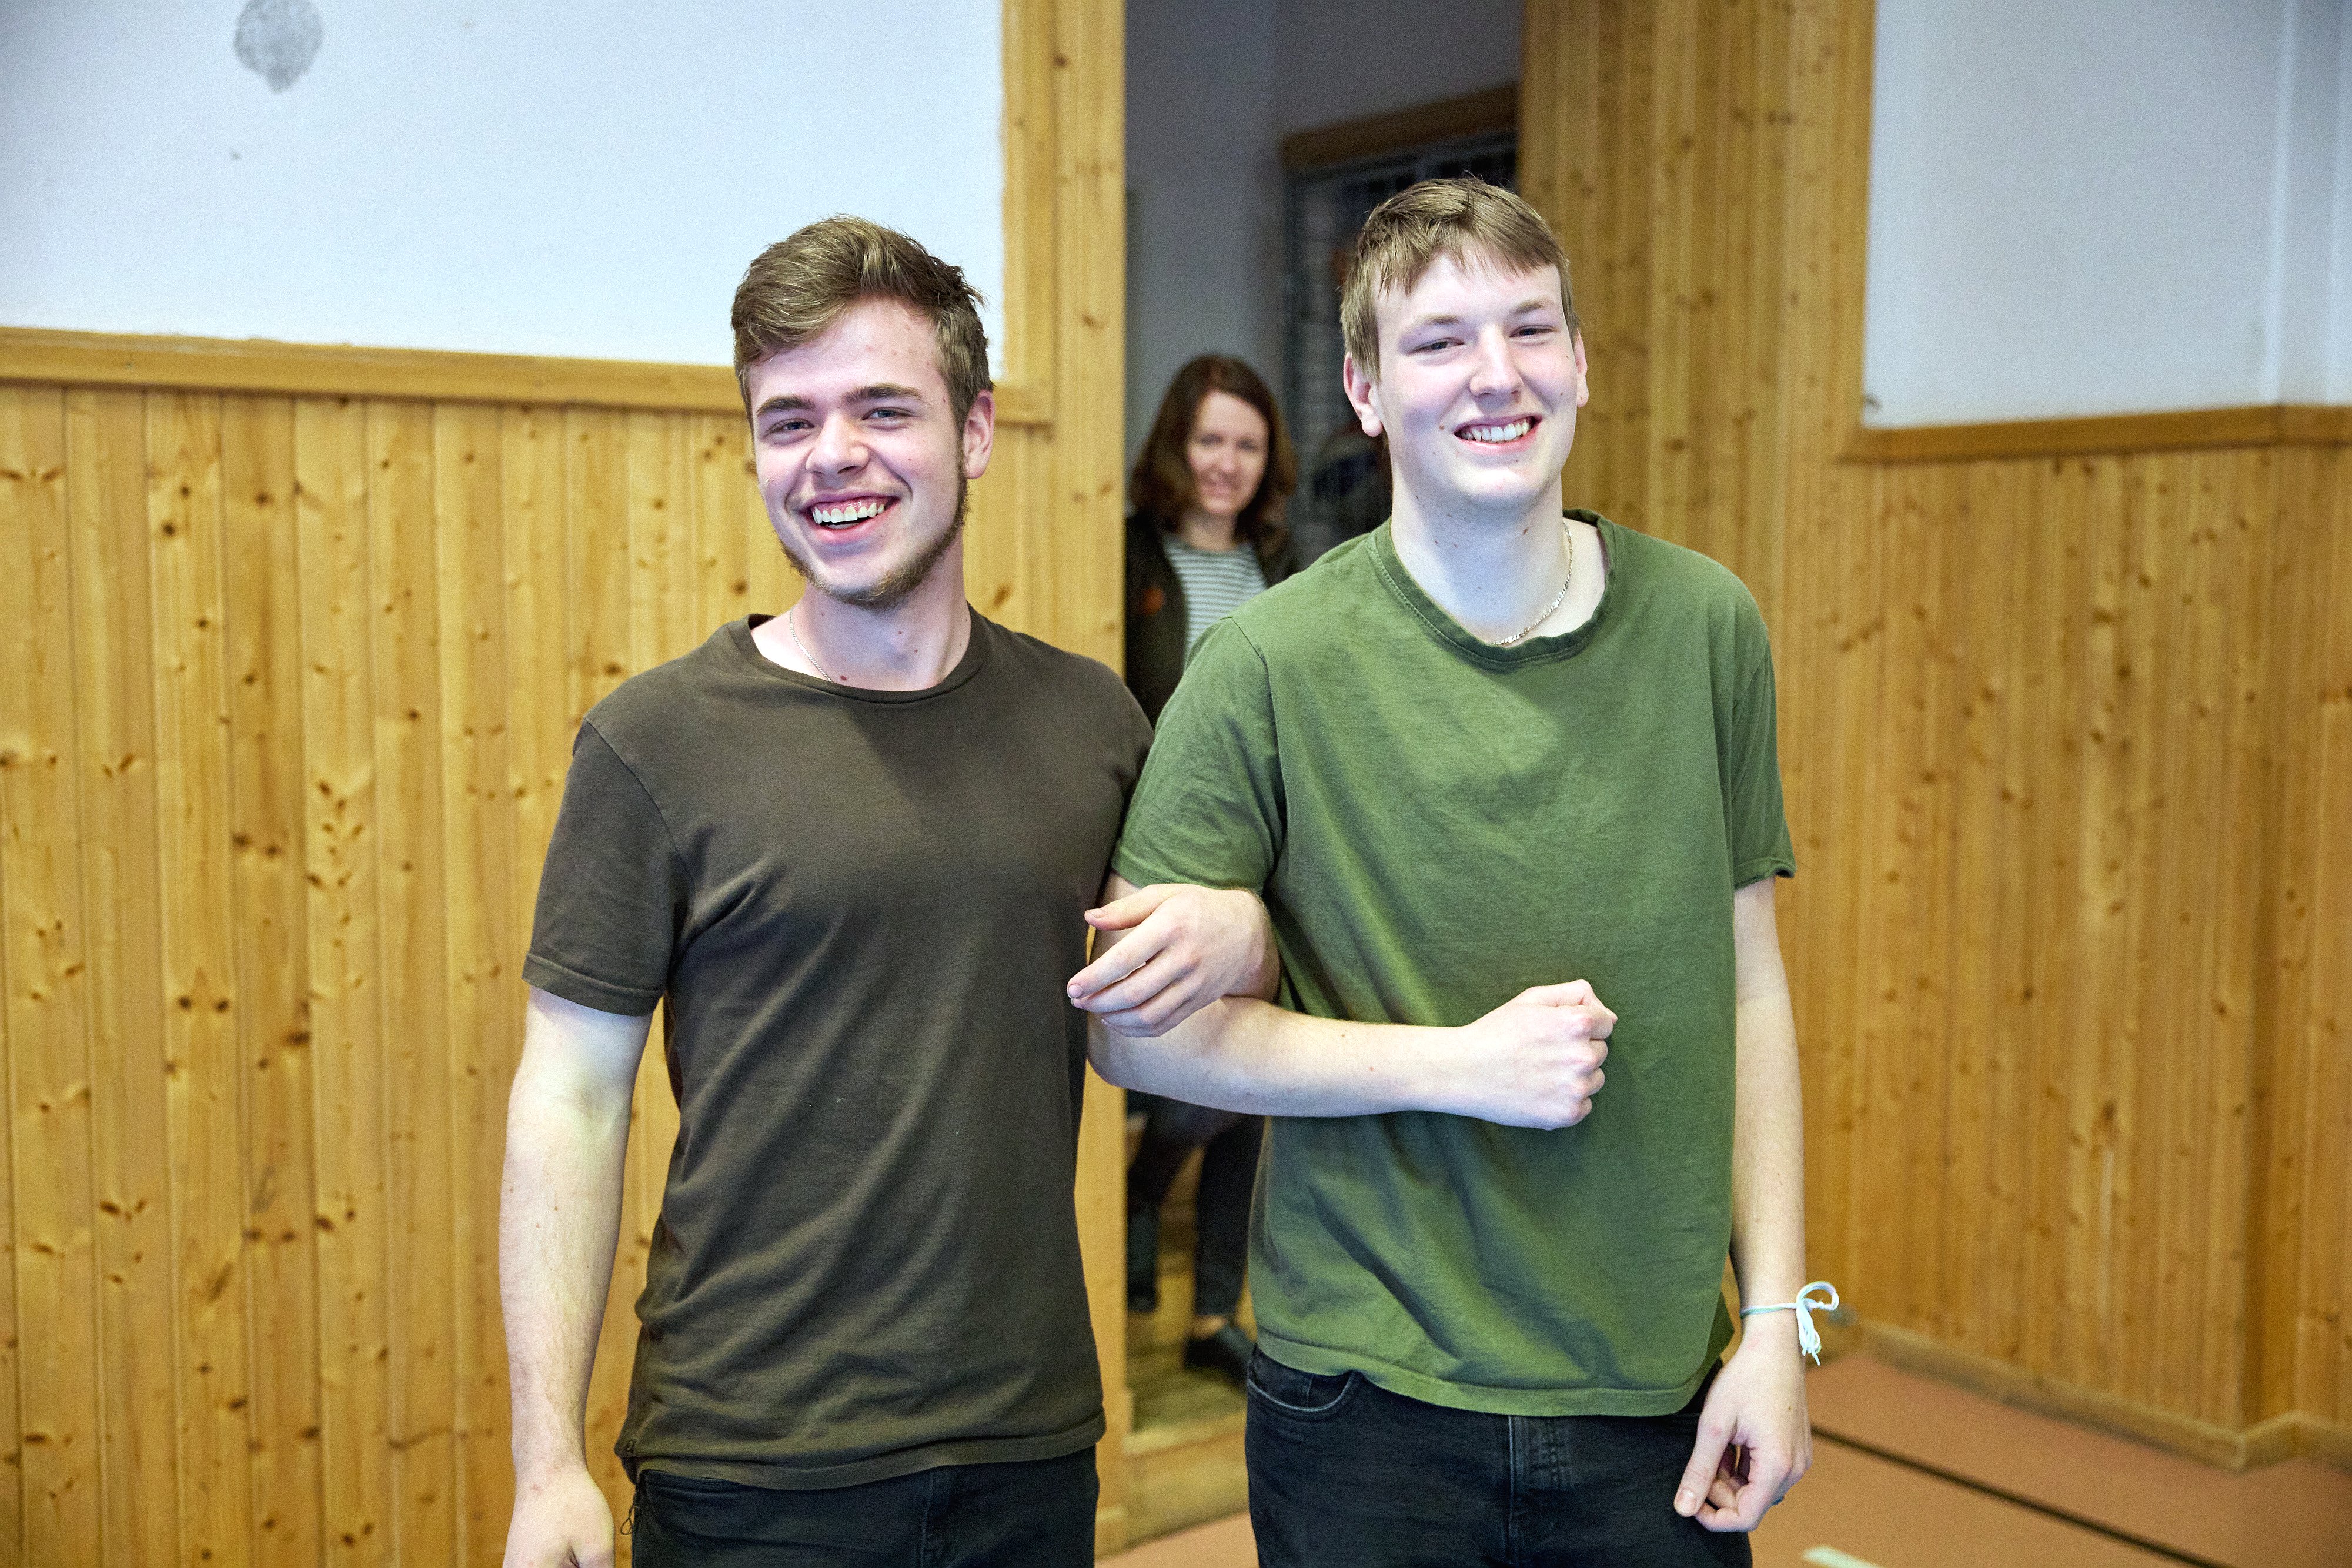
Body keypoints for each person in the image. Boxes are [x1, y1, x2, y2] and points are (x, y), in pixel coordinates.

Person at [498, 216, 1270, 1568]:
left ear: (973, 431)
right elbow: (569, 1096)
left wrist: (1246, 928)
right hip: (748, 1467)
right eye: (787, 420)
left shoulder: (1091, 724)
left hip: (1025, 1445)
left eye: (881, 408)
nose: (831, 454)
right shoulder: (652, 743)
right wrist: (546, 1458)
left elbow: (1164, 1016)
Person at [1071, 177, 1814, 1564]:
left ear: (1579, 360)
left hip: (1652, 1382)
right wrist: (1457, 1064)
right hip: (1364, 1400)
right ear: (1362, 389)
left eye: (1528, 329)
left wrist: (1773, 1318)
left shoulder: (1707, 626)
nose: (1495, 374)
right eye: (1438, 341)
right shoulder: (1263, 664)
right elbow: (1131, 1038)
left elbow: (1748, 988)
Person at [1120, 354, 1299, 1383]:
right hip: (1154, 853)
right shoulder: (1128, 555)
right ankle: (1145, 1192)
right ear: (1175, 449)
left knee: (1254, 1071)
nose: (1227, 463)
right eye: (1209, 442)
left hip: (1263, 854)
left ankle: (1213, 1312)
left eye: (1247, 444)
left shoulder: (1287, 565)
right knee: (1191, 1060)